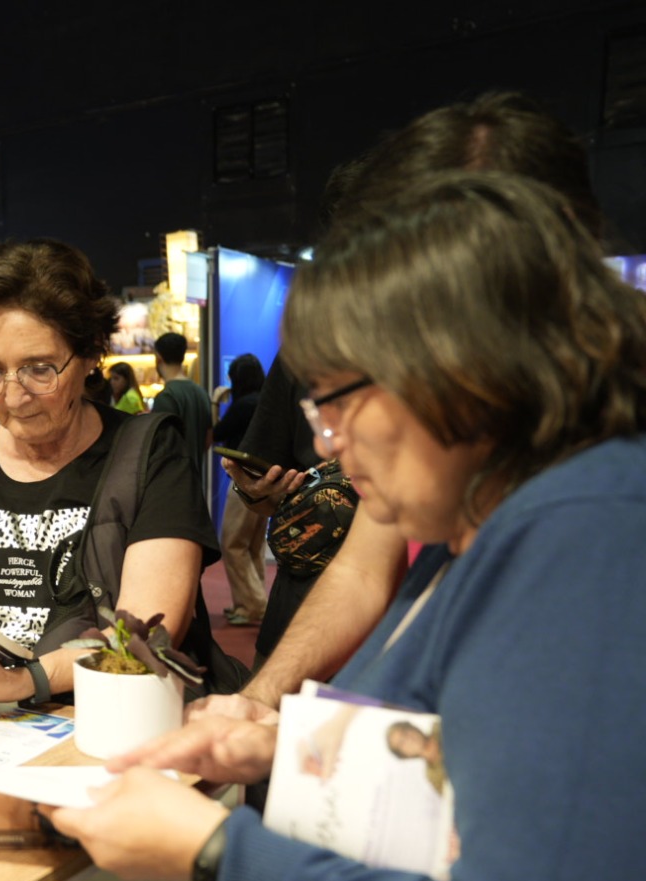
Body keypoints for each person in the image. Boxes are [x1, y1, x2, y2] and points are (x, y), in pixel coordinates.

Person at [47, 172, 646, 881]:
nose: (326, 442)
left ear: (458, 372)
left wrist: (217, 853)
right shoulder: (492, 513)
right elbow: (459, 771)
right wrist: (283, 746)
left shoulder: (586, 545)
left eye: (337, 401)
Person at [207, 89, 604, 707]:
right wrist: (260, 706)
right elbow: (363, 571)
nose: (331, 443)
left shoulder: (595, 503)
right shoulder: (455, 452)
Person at [0, 239, 219, 704]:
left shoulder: (149, 454)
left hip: (103, 718)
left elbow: (148, 632)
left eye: (39, 370)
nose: (13, 397)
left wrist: (25, 681)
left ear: (90, 355)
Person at [212, 354, 267, 626]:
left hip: (243, 478)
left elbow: (217, 433)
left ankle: (254, 606)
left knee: (233, 543)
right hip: (265, 479)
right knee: (253, 545)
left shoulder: (243, 405)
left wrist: (215, 403)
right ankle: (247, 605)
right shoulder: (265, 402)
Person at [150, 332, 210, 475]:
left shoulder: (166, 397)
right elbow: (208, 440)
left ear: (158, 358)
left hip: (171, 479)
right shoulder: (201, 393)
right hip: (196, 479)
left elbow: (161, 446)